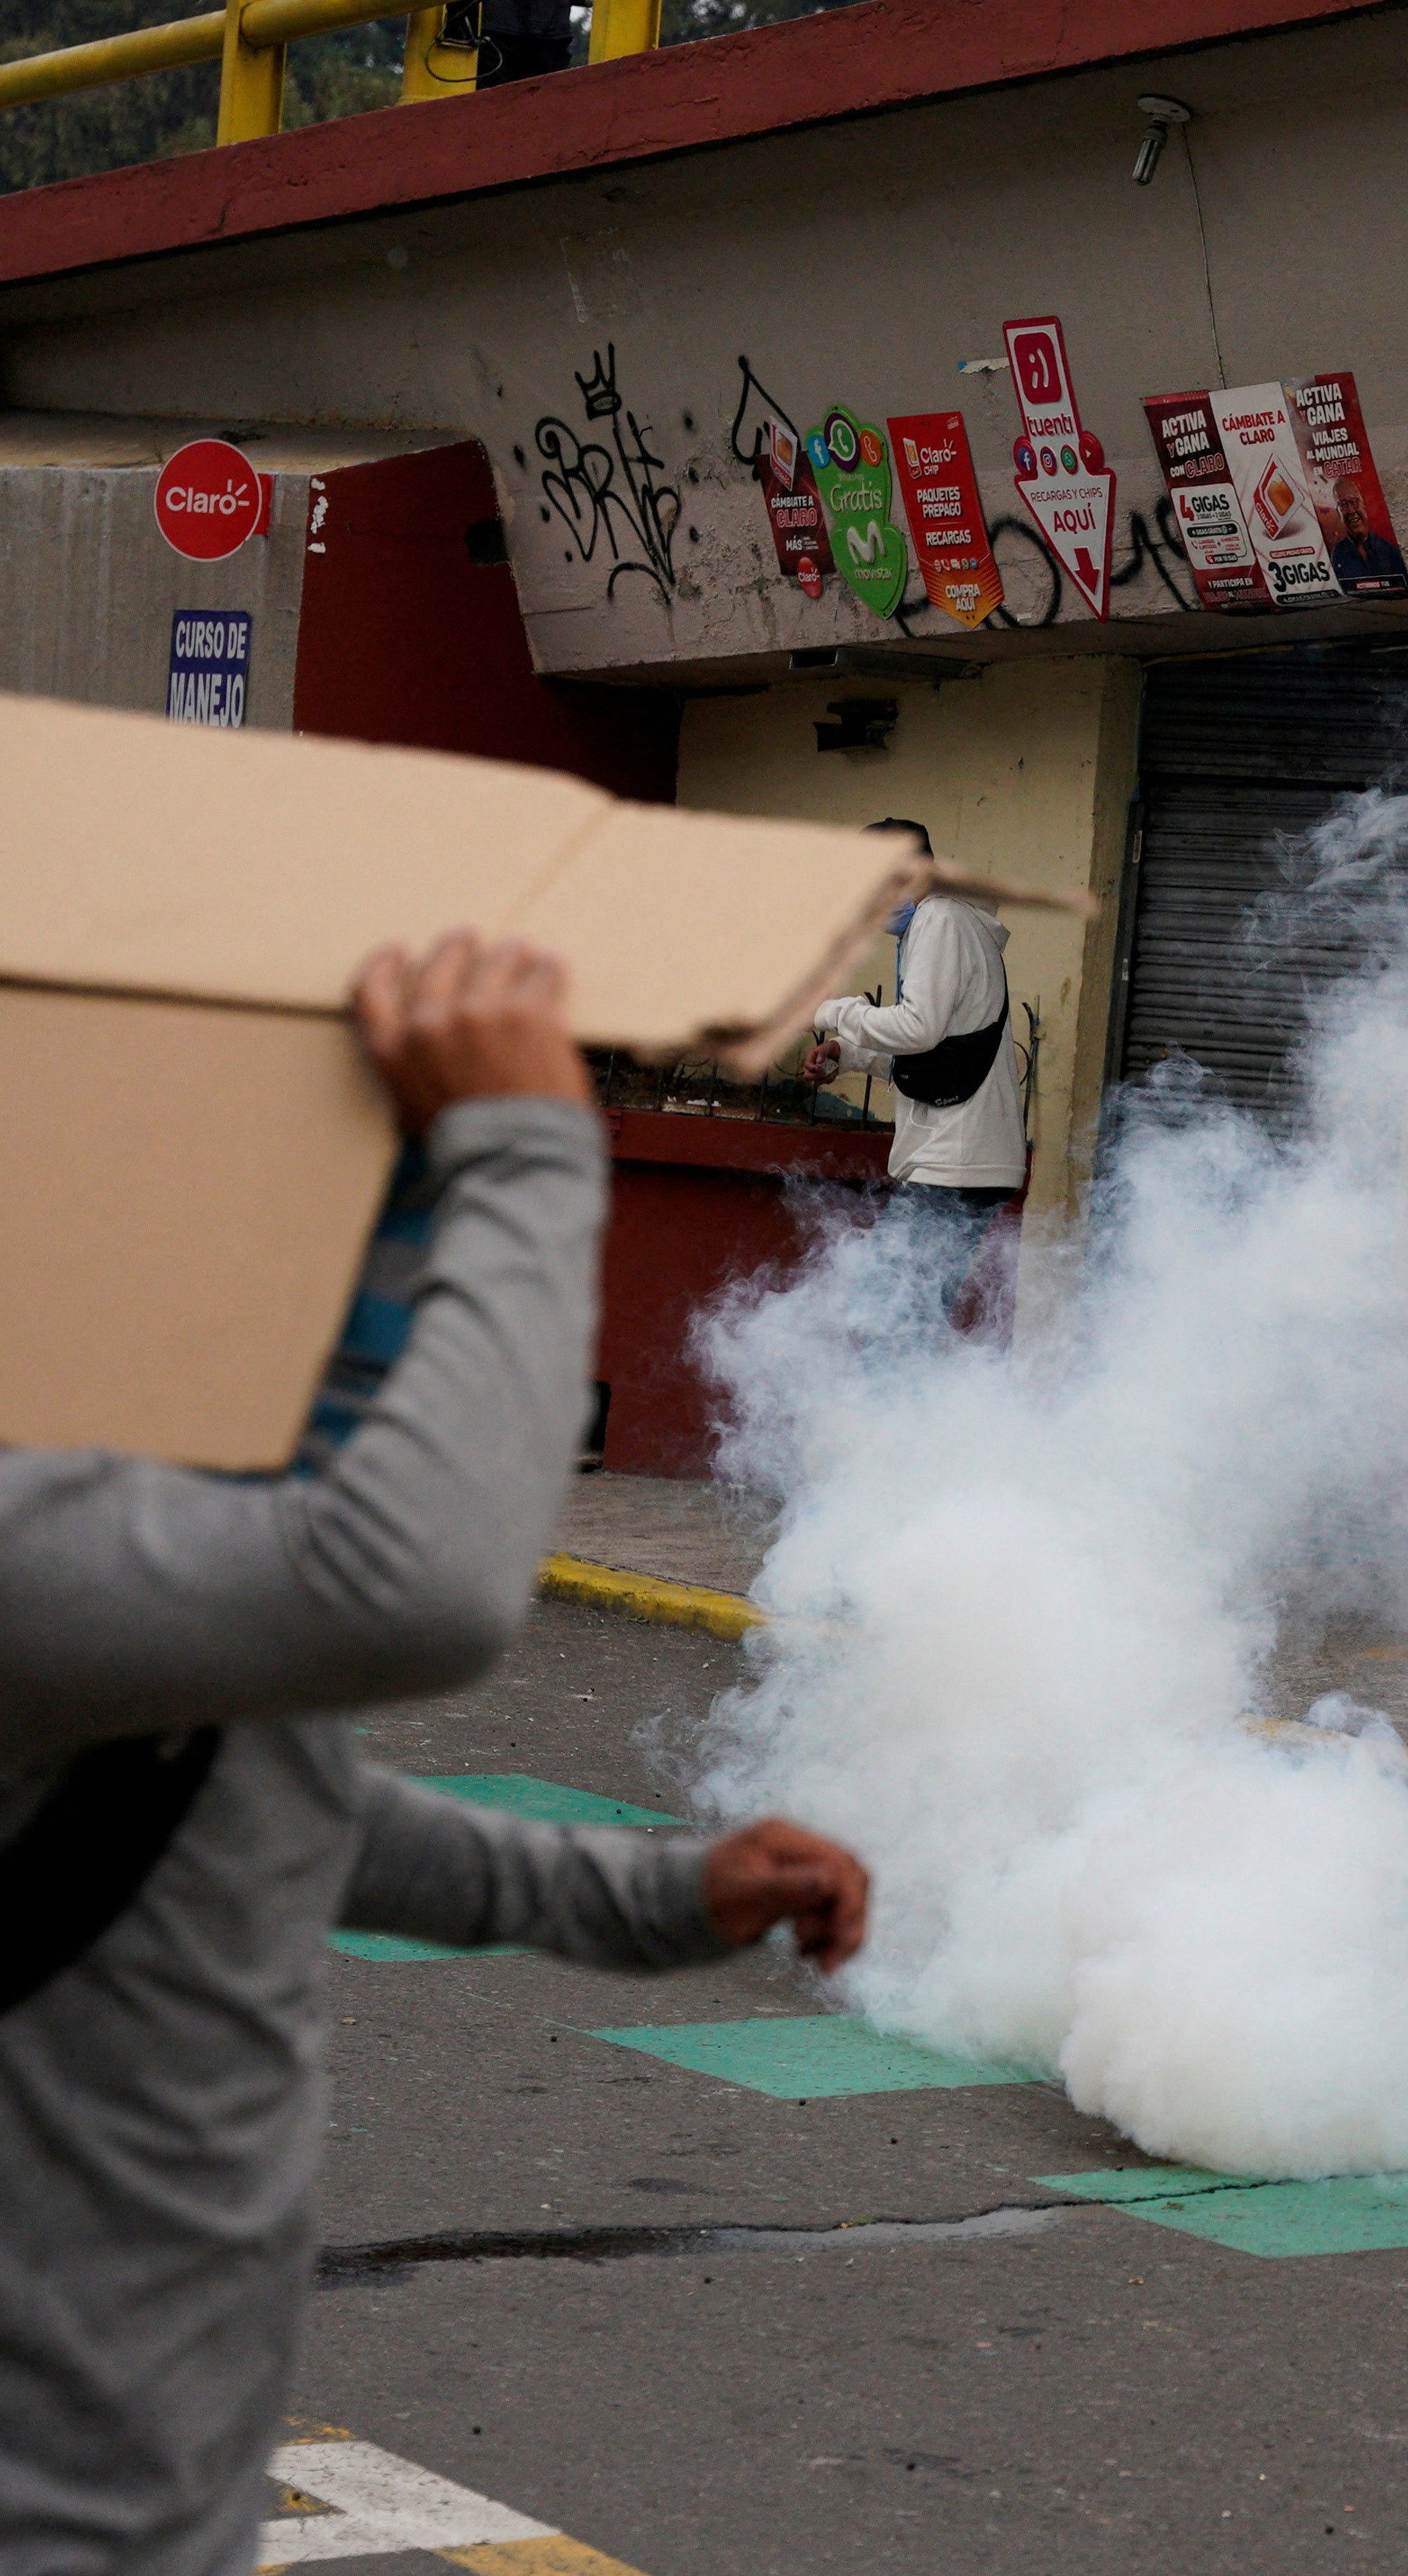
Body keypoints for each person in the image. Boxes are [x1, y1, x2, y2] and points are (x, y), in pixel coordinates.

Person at [0, 933, 874, 2576]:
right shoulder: (31, 1521)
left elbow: (266, 1811)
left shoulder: (143, 1507)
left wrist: (660, 1896)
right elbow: (415, 1586)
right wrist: (528, 1146)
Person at [802, 818, 1028, 1328]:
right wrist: (851, 1053)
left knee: (892, 1313)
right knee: (905, 1314)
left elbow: (918, 1029)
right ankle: (902, 1407)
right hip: (954, 1157)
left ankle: (887, 1410)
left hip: (957, 1160)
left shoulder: (941, 921)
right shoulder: (941, 922)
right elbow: (939, 1052)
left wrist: (831, 1011)